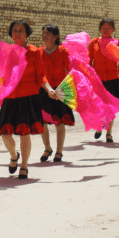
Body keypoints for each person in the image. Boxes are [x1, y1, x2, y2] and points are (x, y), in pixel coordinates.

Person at [0, 20, 54, 180]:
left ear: (27, 33)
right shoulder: (6, 51)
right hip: (10, 97)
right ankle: (13, 155)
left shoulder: (34, 51)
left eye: (21, 31)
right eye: (15, 30)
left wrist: (49, 89)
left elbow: (41, 74)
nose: (18, 33)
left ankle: (24, 166)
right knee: (4, 132)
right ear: (11, 34)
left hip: (28, 97)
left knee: (25, 133)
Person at [38, 25, 74, 163]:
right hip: (44, 89)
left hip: (61, 89)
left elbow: (70, 71)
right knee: (43, 122)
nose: (44, 36)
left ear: (55, 37)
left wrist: (59, 90)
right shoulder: (39, 52)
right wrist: (49, 90)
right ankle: (47, 148)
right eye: (43, 33)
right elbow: (39, 74)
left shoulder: (63, 51)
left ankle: (59, 151)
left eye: (48, 33)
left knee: (59, 122)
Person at [88, 18, 119, 143]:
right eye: (103, 27)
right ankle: (99, 126)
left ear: (113, 30)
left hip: (112, 79)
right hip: (98, 80)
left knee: (111, 107)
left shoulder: (117, 42)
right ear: (99, 29)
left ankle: (109, 134)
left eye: (108, 27)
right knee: (98, 106)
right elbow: (89, 60)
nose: (106, 30)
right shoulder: (94, 42)